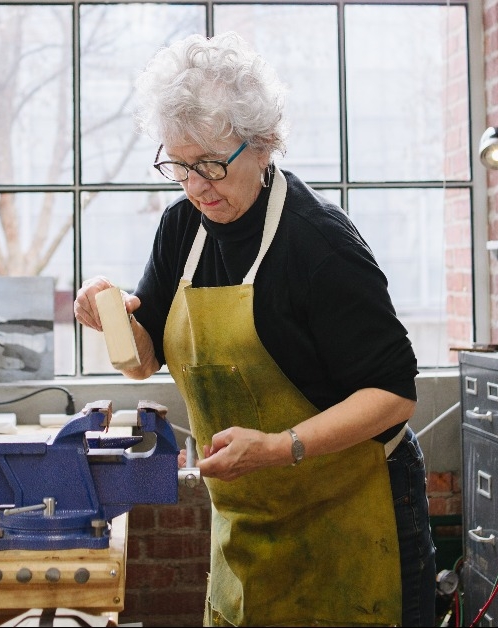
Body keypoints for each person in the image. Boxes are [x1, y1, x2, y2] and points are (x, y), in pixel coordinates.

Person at [73, 31, 434, 627]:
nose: (196, 186)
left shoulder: (318, 243)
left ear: (263, 145)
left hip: (354, 506)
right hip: (250, 516)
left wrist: (278, 447)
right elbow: (144, 360)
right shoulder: (181, 227)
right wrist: (111, 317)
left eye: (211, 164)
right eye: (180, 166)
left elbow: (394, 394)